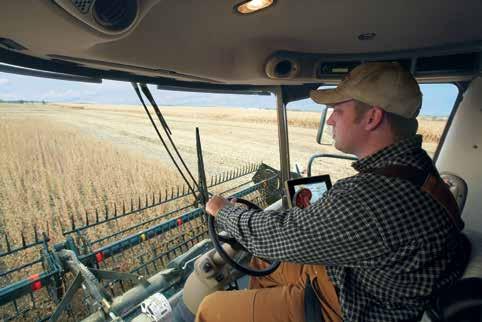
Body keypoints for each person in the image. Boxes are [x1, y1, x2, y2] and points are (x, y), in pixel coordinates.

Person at [197, 62, 469, 322]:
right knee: (264, 260)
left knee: (211, 309)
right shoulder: (415, 167)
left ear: (372, 117)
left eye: (337, 110)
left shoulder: (371, 196)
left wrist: (224, 211)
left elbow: (280, 237)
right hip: (365, 277)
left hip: (358, 306)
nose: (330, 121)